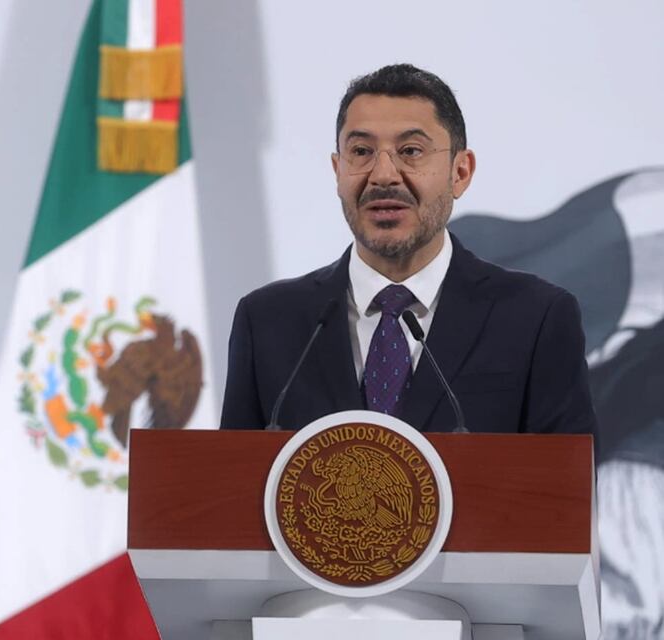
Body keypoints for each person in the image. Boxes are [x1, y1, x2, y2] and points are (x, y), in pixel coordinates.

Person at [220, 63, 597, 440]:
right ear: (338, 170)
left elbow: (567, 490)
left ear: (460, 172)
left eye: (411, 151)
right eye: (362, 151)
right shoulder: (267, 322)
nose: (383, 174)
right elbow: (228, 488)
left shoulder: (536, 318)